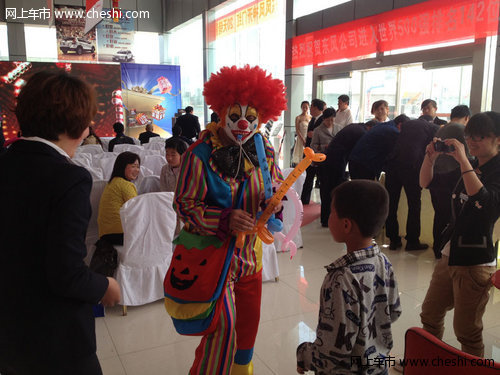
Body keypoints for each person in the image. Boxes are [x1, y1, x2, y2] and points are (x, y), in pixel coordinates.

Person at [0, 71, 120, 375]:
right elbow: (66, 273)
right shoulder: (69, 177)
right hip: (55, 337)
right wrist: (105, 286)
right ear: (79, 126)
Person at [172, 65, 286, 374]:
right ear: (221, 112)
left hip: (250, 256)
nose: (243, 124)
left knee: (247, 330)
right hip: (212, 257)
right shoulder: (199, 154)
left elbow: (273, 186)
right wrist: (224, 218)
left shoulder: (265, 149)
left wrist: (274, 204)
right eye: (235, 116)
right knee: (222, 332)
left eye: (252, 118)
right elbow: (184, 205)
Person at [296, 180, 401, 375]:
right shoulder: (383, 261)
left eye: (332, 213)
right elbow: (394, 311)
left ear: (346, 225)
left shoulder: (340, 279)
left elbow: (334, 350)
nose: (328, 218)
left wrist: (304, 355)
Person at [419, 112, 500, 358]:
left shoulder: (491, 169)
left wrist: (464, 160)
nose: (473, 141)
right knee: (430, 314)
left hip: (475, 261)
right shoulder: (472, 163)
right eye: (469, 136)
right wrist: (429, 158)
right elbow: (425, 183)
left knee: (467, 330)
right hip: (450, 254)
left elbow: (484, 202)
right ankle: (426, 360)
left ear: (498, 140)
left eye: (481, 137)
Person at [385, 115, 438, 251]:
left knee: (391, 204)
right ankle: (412, 241)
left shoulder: (408, 125)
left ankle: (393, 240)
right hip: (412, 167)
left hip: (393, 165)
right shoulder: (432, 127)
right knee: (414, 204)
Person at [428, 105, 471, 258]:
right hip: (452, 178)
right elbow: (468, 157)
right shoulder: (462, 130)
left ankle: (437, 249)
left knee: (439, 215)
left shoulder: (441, 129)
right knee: (452, 216)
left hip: (437, 176)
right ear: (467, 118)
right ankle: (445, 251)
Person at [97, 151, 140, 246]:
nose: (137, 170)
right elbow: (136, 211)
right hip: (119, 234)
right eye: (133, 166)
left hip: (105, 232)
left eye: (138, 166)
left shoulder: (113, 182)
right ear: (122, 166)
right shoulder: (126, 185)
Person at [348, 113, 399, 180]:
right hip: (364, 165)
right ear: (400, 125)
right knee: (365, 189)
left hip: (355, 161)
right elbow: (391, 154)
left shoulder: (383, 126)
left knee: (357, 188)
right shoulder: (393, 131)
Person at [311, 107, 336, 227]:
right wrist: (323, 147)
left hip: (337, 163)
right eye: (328, 120)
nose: (330, 122)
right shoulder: (318, 130)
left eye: (332, 119)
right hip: (323, 164)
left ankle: (335, 217)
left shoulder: (339, 128)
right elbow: (313, 147)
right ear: (324, 119)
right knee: (325, 190)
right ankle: (325, 218)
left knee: (335, 190)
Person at [160, 137, 188, 236]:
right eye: (167, 154)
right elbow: (163, 190)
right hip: (170, 205)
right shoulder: (164, 169)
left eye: (173, 154)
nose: (169, 158)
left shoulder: (188, 169)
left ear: (182, 155)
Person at [301, 98, 326, 204]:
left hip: (318, 154)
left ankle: (322, 202)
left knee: (319, 178)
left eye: (311, 106)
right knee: (307, 176)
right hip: (309, 152)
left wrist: (314, 134)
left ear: (316, 108)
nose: (310, 108)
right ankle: (304, 199)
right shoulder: (313, 119)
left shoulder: (323, 120)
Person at [292, 100, 311, 165]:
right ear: (301, 107)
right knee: (300, 155)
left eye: (306, 107)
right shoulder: (298, 118)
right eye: (303, 107)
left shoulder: (310, 117)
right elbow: (297, 130)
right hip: (300, 138)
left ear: (308, 107)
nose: (305, 109)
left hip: (308, 137)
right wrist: (303, 140)